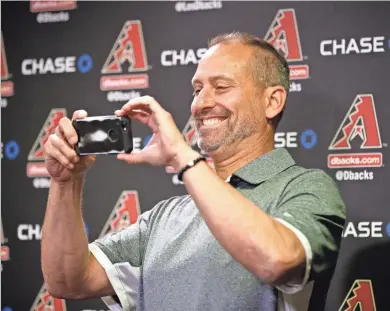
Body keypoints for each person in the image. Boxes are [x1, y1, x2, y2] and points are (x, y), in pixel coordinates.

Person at [41, 32, 346, 311]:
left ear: (272, 101)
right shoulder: (166, 217)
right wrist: (66, 181)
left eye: (221, 87)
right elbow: (68, 280)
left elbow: (278, 260)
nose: (201, 104)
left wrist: (182, 156)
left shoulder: (305, 188)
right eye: (197, 90)